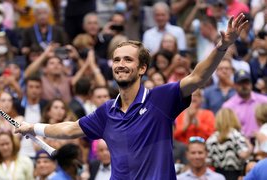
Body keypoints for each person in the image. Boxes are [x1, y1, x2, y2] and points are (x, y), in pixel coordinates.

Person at [16, 14, 248, 179]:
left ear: (142, 68)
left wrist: (222, 46)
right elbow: (69, 129)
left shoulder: (161, 99)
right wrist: (33, 127)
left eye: (128, 59)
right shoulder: (106, 112)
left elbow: (197, 78)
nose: (120, 64)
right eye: (117, 60)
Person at [206, 108, 251, 180]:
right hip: (235, 174)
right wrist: (250, 147)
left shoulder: (212, 138)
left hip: (217, 174)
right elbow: (243, 155)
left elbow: (208, 161)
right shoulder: (235, 135)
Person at [222, 70, 267, 139]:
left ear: (251, 84)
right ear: (234, 85)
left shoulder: (264, 101)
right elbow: (226, 129)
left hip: (263, 141)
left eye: (246, 82)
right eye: (241, 83)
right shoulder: (228, 106)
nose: (244, 86)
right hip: (240, 144)